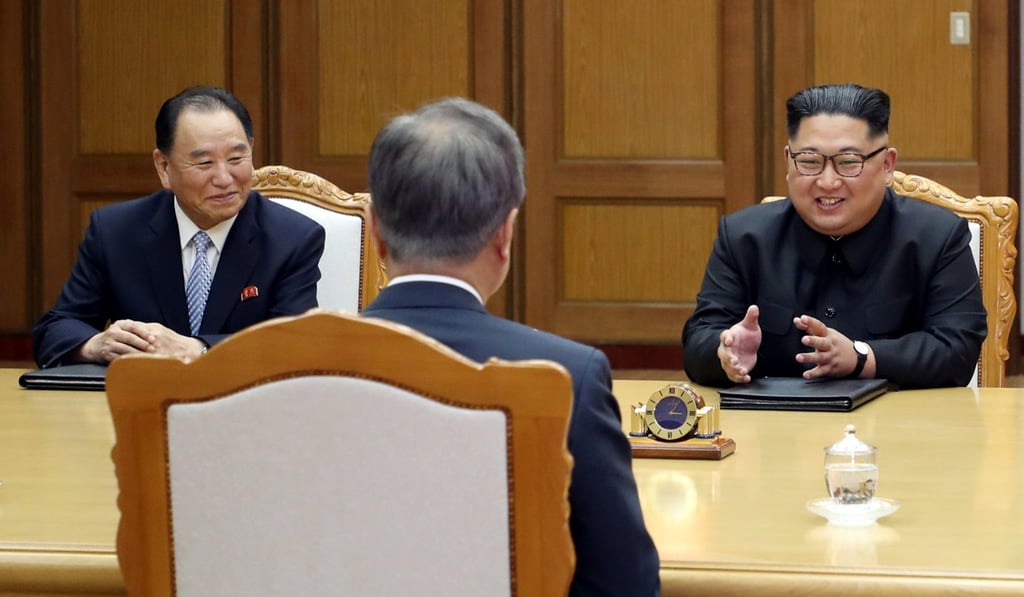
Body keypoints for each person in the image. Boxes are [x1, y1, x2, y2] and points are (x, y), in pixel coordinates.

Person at [362, 97, 660, 596]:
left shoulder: (274, 373)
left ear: (374, 233)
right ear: (505, 234)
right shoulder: (564, 375)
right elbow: (622, 583)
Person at [682, 83, 986, 389]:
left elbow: (957, 350)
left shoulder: (938, 237)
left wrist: (862, 357)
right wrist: (724, 352)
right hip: (776, 427)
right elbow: (699, 340)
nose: (827, 182)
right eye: (810, 162)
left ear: (887, 165)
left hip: (898, 428)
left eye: (848, 163)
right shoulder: (743, 237)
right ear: (788, 161)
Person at [33, 86, 325, 368]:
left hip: (246, 406)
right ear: (163, 167)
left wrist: (198, 349)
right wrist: (94, 344)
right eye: (204, 163)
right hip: (139, 405)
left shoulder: (293, 239)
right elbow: (55, 329)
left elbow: (295, 347)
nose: (224, 178)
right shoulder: (115, 232)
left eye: (236, 158)